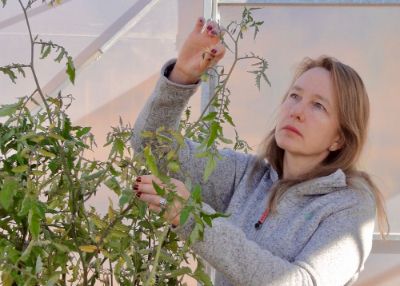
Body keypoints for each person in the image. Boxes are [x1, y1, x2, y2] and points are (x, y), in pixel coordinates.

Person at [131, 17, 388, 286]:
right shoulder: (248, 176)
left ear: (340, 138)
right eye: (295, 96)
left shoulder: (349, 205)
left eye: (318, 106)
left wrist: (192, 219)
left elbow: (302, 283)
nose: (297, 111)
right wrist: (182, 74)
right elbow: (152, 147)